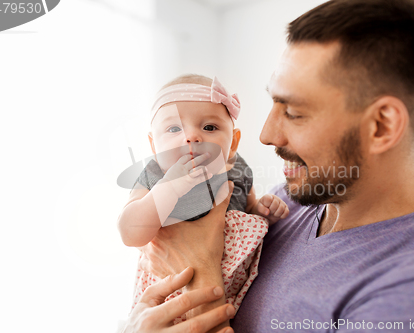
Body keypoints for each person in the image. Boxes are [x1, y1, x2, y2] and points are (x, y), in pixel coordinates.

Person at [123, 0, 414, 332]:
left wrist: (198, 265)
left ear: (381, 126)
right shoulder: (289, 203)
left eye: (293, 112)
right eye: (273, 104)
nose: (266, 134)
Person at [117, 74, 289, 325]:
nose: (192, 137)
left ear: (233, 143)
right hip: (168, 294)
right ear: (154, 146)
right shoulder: (155, 174)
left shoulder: (237, 168)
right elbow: (129, 233)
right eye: (174, 129)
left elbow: (251, 209)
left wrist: (264, 211)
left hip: (236, 295)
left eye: (209, 127)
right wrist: (170, 188)